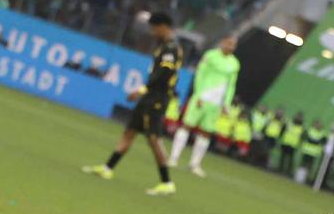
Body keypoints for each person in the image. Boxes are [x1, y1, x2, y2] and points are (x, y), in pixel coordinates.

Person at [82, 13, 182, 195]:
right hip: (150, 97)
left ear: (163, 26)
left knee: (153, 139)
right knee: (129, 132)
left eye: (154, 28)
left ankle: (167, 182)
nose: (152, 32)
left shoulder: (171, 49)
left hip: (156, 99)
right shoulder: (165, 47)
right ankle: (108, 168)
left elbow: (165, 74)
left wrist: (142, 90)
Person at [169, 36, 239, 177]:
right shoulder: (210, 56)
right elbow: (200, 74)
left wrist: (226, 103)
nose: (231, 47)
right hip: (202, 97)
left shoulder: (235, 63)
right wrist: (199, 94)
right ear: (222, 43)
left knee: (206, 132)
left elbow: (231, 85)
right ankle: (173, 158)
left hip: (217, 103)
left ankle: (195, 164)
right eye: (229, 43)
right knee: (187, 125)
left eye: (233, 45)